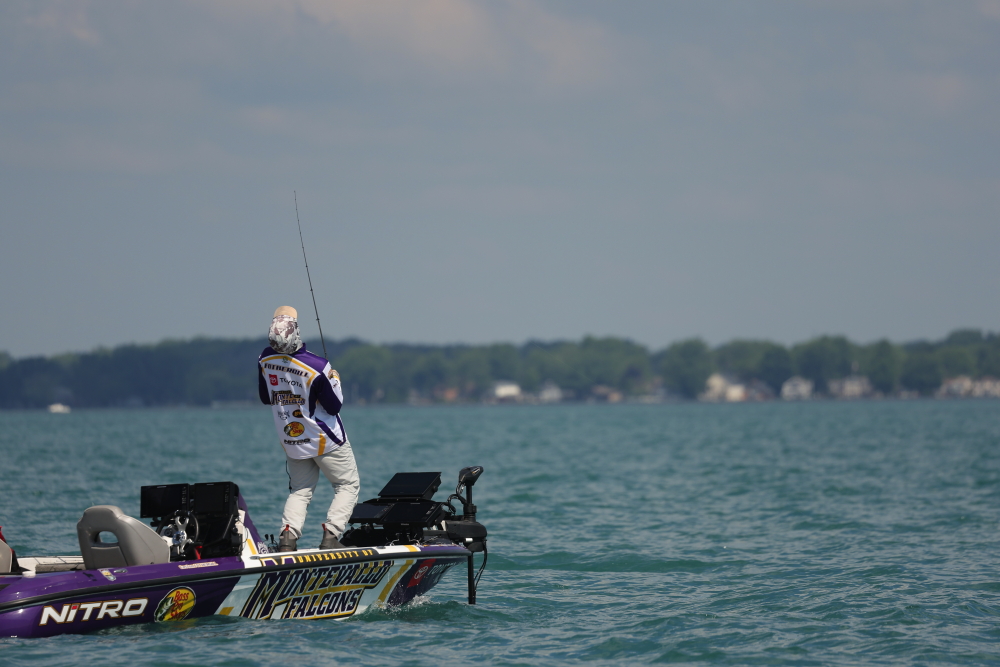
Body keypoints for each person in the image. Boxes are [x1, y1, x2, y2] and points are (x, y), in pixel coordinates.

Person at [258, 306, 359, 552]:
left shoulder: (264, 359)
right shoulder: (318, 366)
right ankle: (331, 536)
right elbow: (334, 407)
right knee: (347, 485)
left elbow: (265, 397)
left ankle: (287, 538)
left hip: (293, 439)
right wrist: (335, 380)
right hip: (325, 439)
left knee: (300, 490)